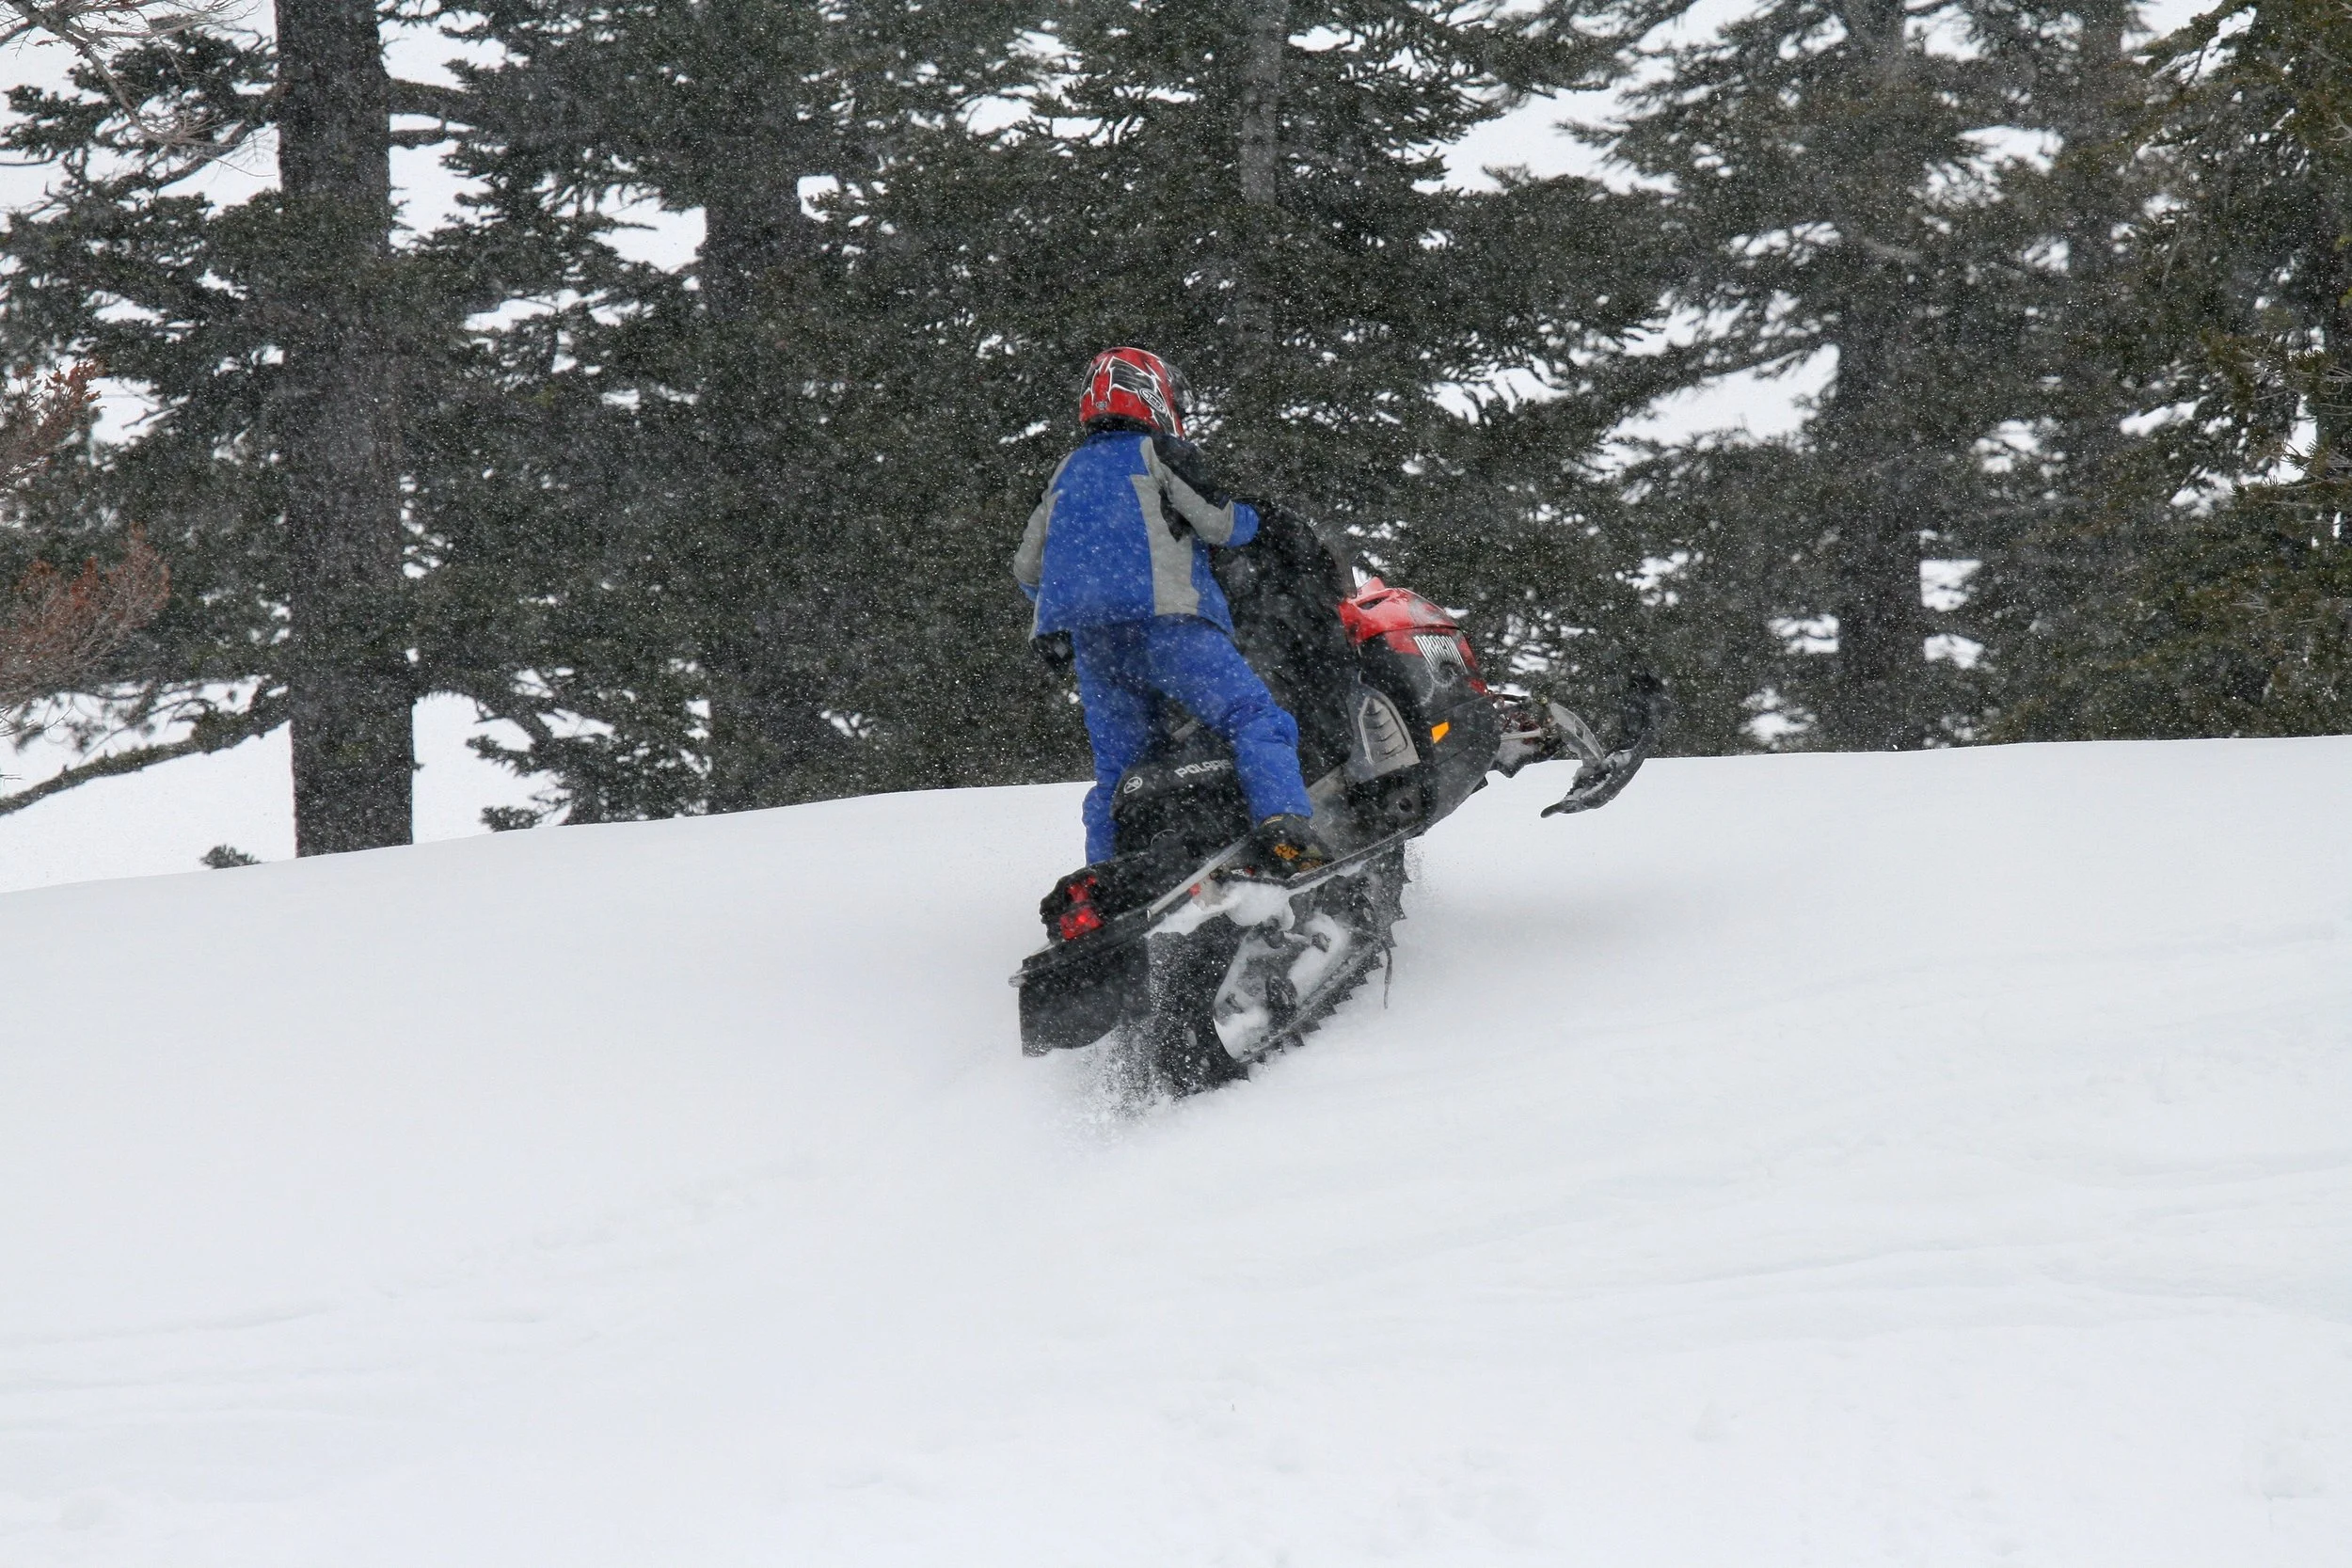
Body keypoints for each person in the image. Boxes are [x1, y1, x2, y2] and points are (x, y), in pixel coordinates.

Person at [1014, 347, 1330, 877]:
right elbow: (1221, 525)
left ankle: (1108, 878)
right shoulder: (1159, 452)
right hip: (1170, 627)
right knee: (1254, 717)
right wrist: (1265, 520)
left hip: (1095, 646)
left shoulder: (1064, 472)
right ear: (1152, 395)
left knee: (1118, 772)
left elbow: (1028, 571)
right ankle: (1283, 828)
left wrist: (1089, 601)